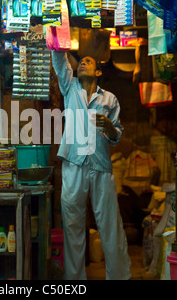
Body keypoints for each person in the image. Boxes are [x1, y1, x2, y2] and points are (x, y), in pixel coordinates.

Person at [51, 50, 131, 280]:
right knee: (73, 227)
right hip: (74, 163)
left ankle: (118, 277)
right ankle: (75, 281)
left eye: (88, 62)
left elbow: (116, 136)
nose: (83, 64)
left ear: (98, 71)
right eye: (81, 62)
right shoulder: (70, 87)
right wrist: (58, 39)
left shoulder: (109, 99)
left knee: (110, 225)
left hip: (101, 166)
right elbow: (59, 61)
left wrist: (109, 127)